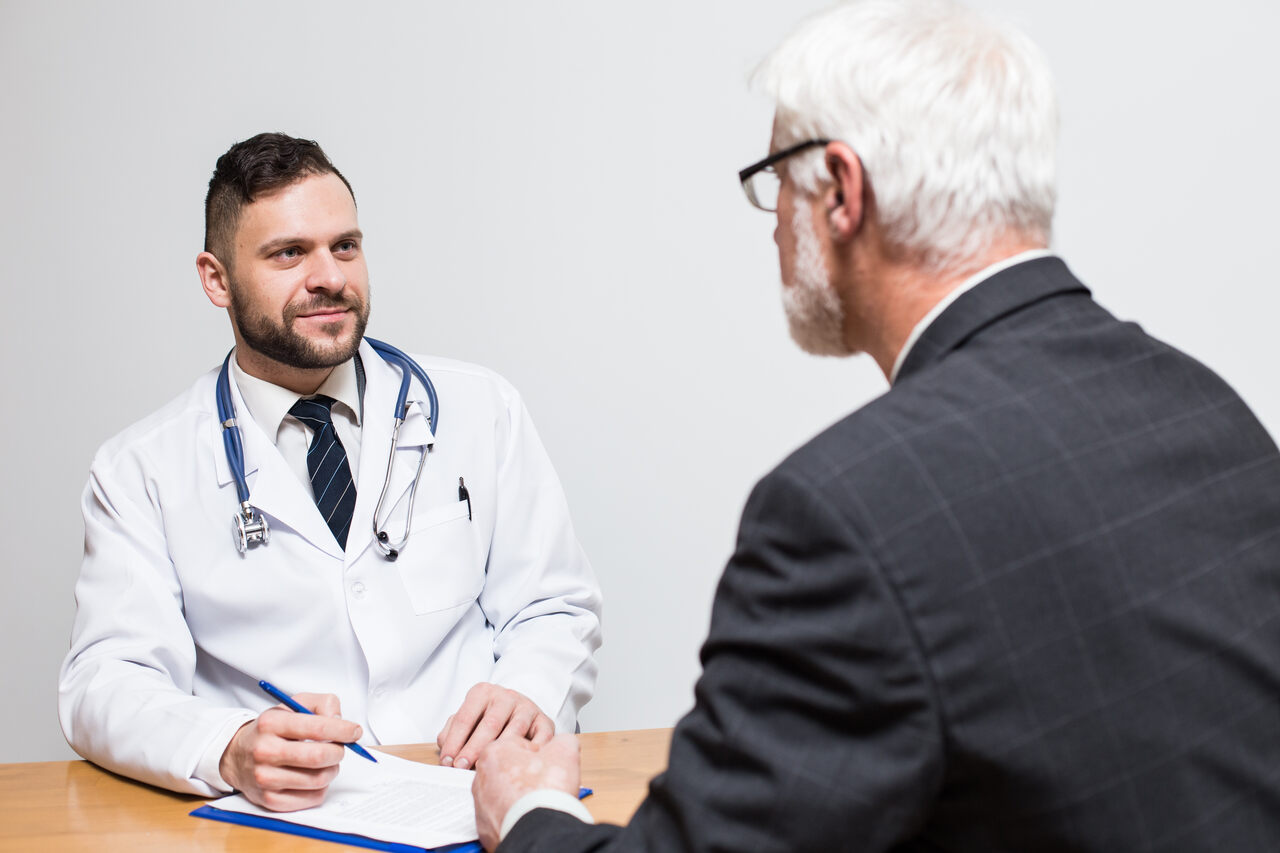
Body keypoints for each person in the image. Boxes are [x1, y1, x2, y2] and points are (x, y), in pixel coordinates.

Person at [470, 0, 1280, 849]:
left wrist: (529, 812)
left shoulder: (844, 513)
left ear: (844, 192)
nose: (776, 216)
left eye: (778, 178)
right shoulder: (1208, 410)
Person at [58, 133, 602, 811]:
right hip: (286, 821)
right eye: (289, 253)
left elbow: (554, 604)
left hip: (472, 797)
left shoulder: (479, 408)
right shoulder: (141, 468)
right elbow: (104, 682)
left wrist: (526, 688)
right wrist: (228, 744)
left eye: (344, 246)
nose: (331, 277)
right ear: (216, 278)